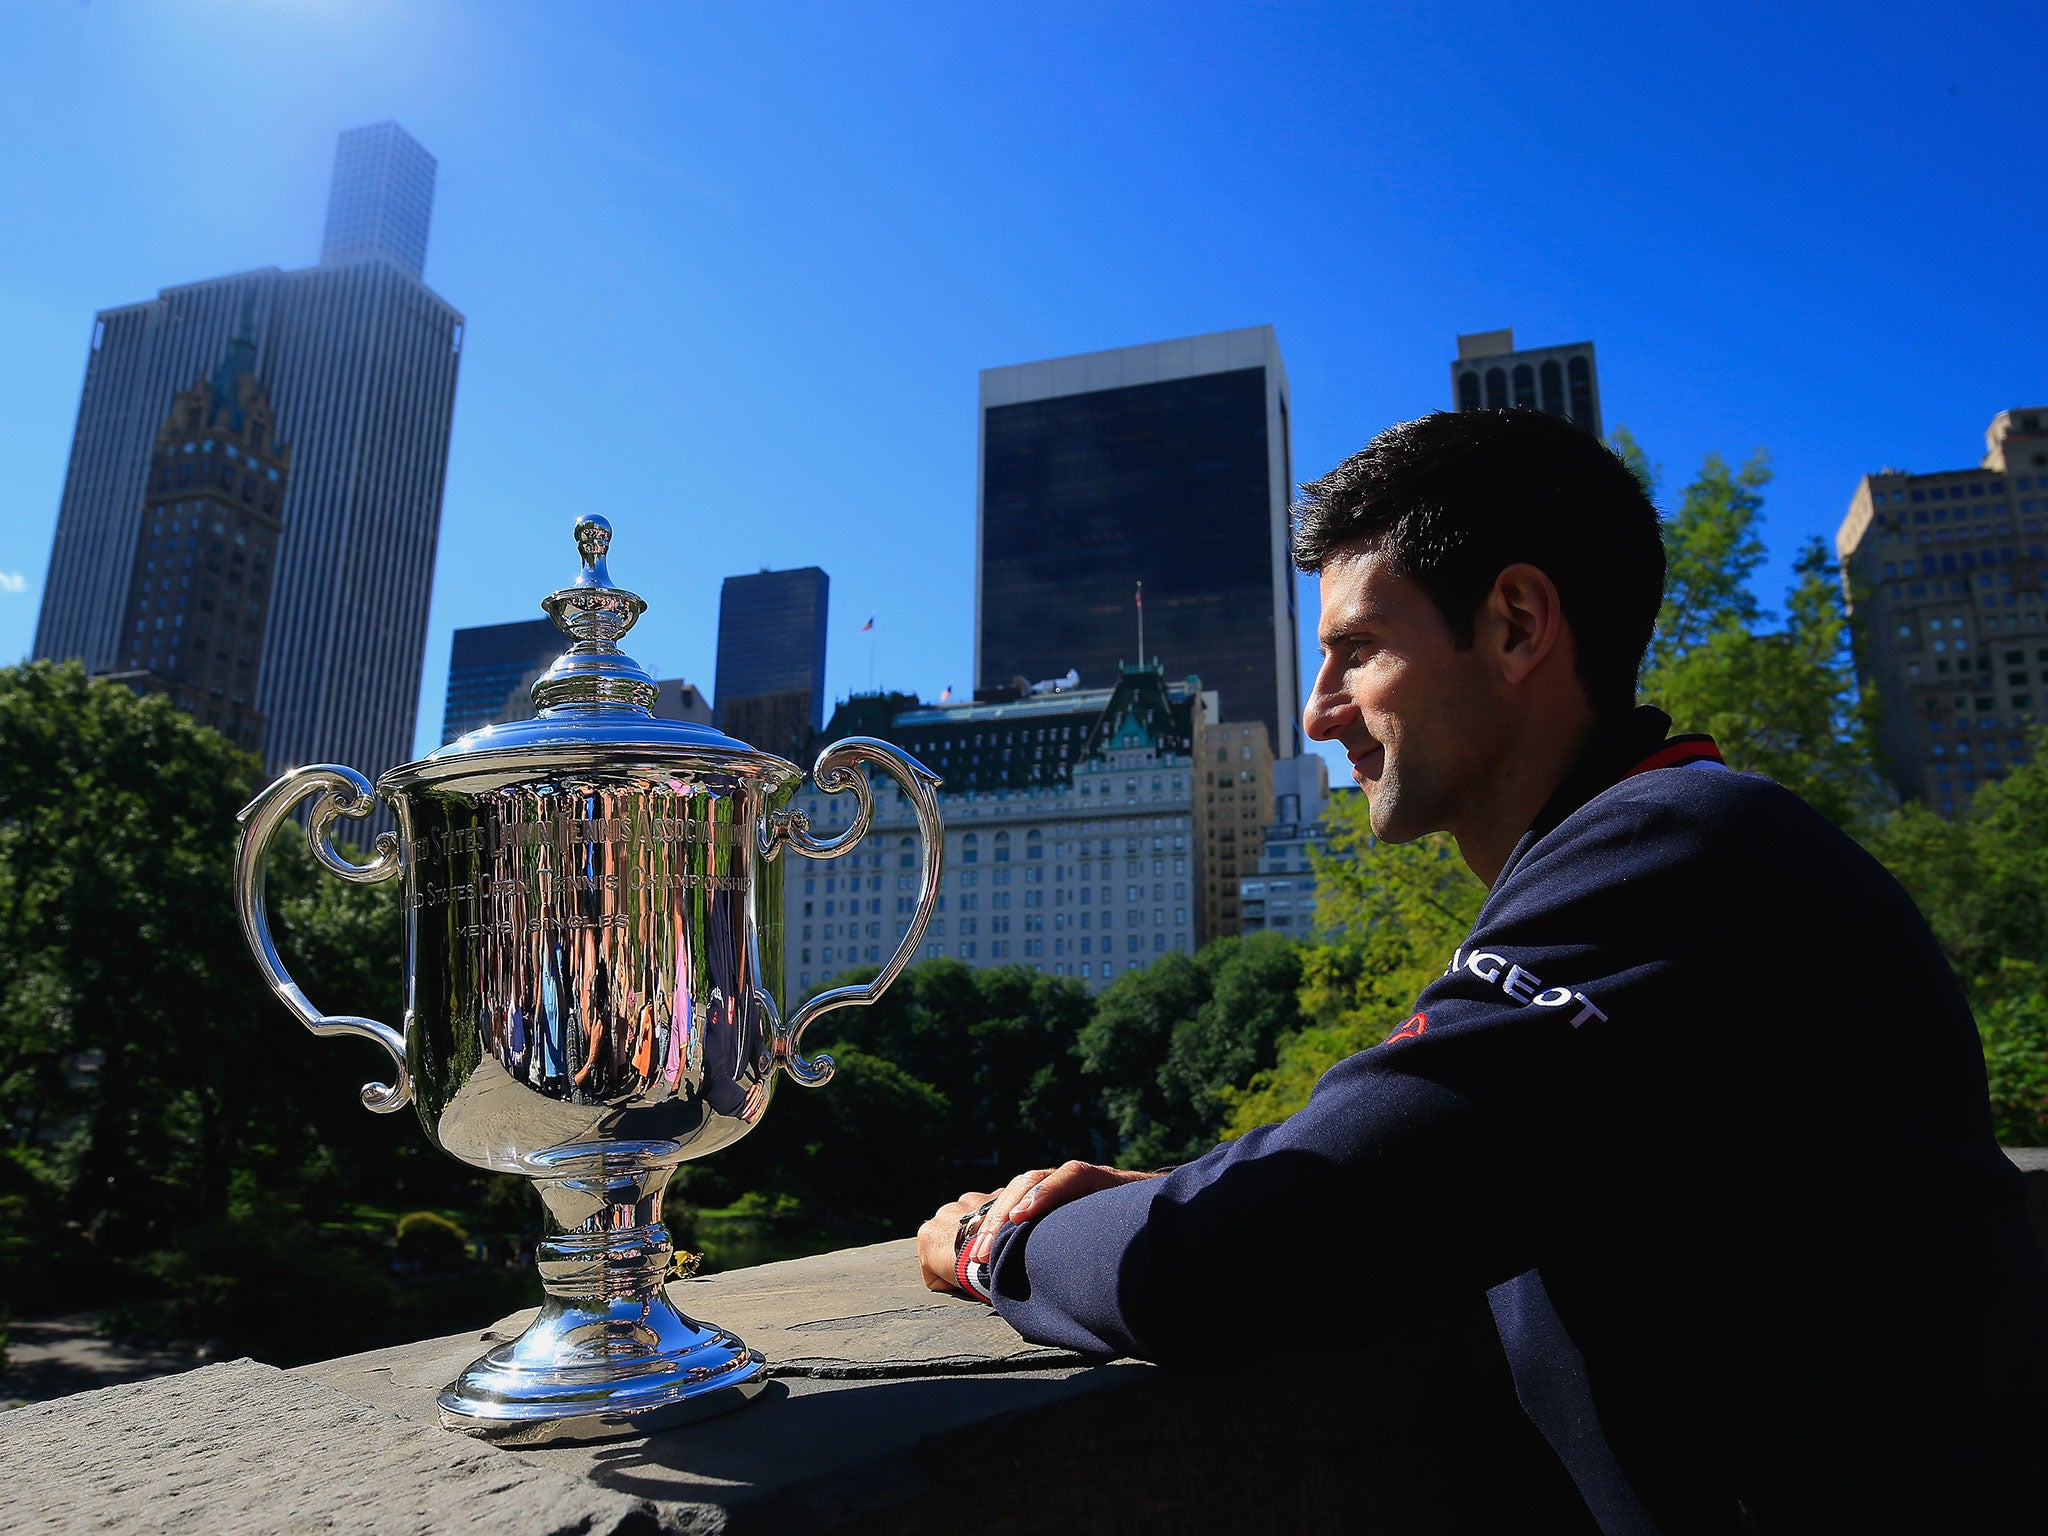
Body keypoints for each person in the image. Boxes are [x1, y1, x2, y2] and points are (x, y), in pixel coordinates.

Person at [915, 409, 2048, 1534]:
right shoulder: (1676, 854)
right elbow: (1412, 1167)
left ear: (1513, 625)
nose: (1317, 714)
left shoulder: (1677, 853)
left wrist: (996, 1244)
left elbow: (1264, 1247)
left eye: (1356, 650)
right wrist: (1197, 1185)